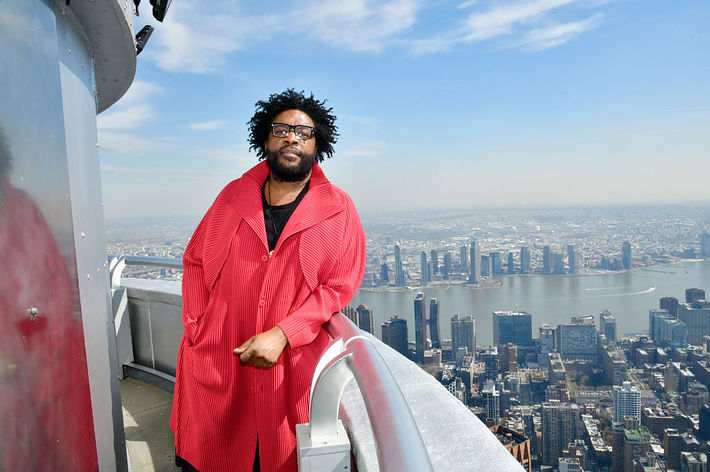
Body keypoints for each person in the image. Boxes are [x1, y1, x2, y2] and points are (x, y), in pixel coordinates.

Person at [170, 89, 366, 472]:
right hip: (218, 362)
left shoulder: (338, 209)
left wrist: (284, 332)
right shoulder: (232, 197)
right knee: (213, 454)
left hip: (288, 372)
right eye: (282, 129)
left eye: (303, 132)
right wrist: (197, 327)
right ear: (265, 139)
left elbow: (339, 286)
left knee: (274, 458)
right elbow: (194, 260)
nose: (292, 137)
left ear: (317, 144)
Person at [0, 128, 98, 470]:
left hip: (47, 357)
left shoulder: (20, 206)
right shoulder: (20, 205)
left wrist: (30, 341)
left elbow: (50, 280)